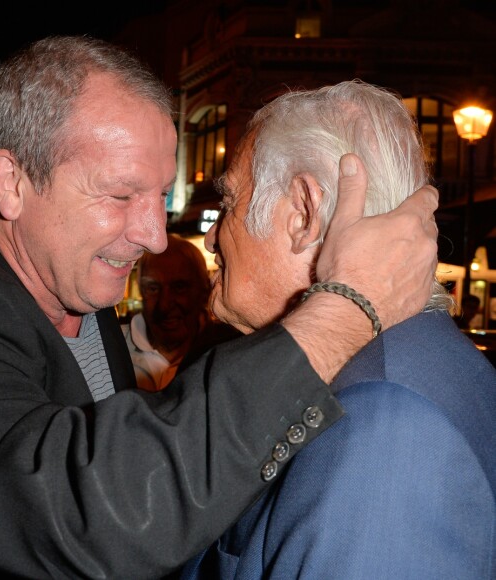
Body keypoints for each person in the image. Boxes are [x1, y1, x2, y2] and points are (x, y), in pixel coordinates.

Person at [0, 36, 439, 579]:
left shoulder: (78, 287)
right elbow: (68, 513)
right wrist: (345, 310)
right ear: (11, 183)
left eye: (160, 198)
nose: (155, 238)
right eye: (120, 196)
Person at [180, 80, 496, 580]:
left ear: (303, 213)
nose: (214, 235)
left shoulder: (387, 427)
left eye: (230, 203)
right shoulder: (397, 366)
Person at [123, 233, 239, 391]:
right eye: (153, 288)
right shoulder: (107, 349)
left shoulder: (230, 353)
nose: (164, 305)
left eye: (179, 288)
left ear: (204, 292)